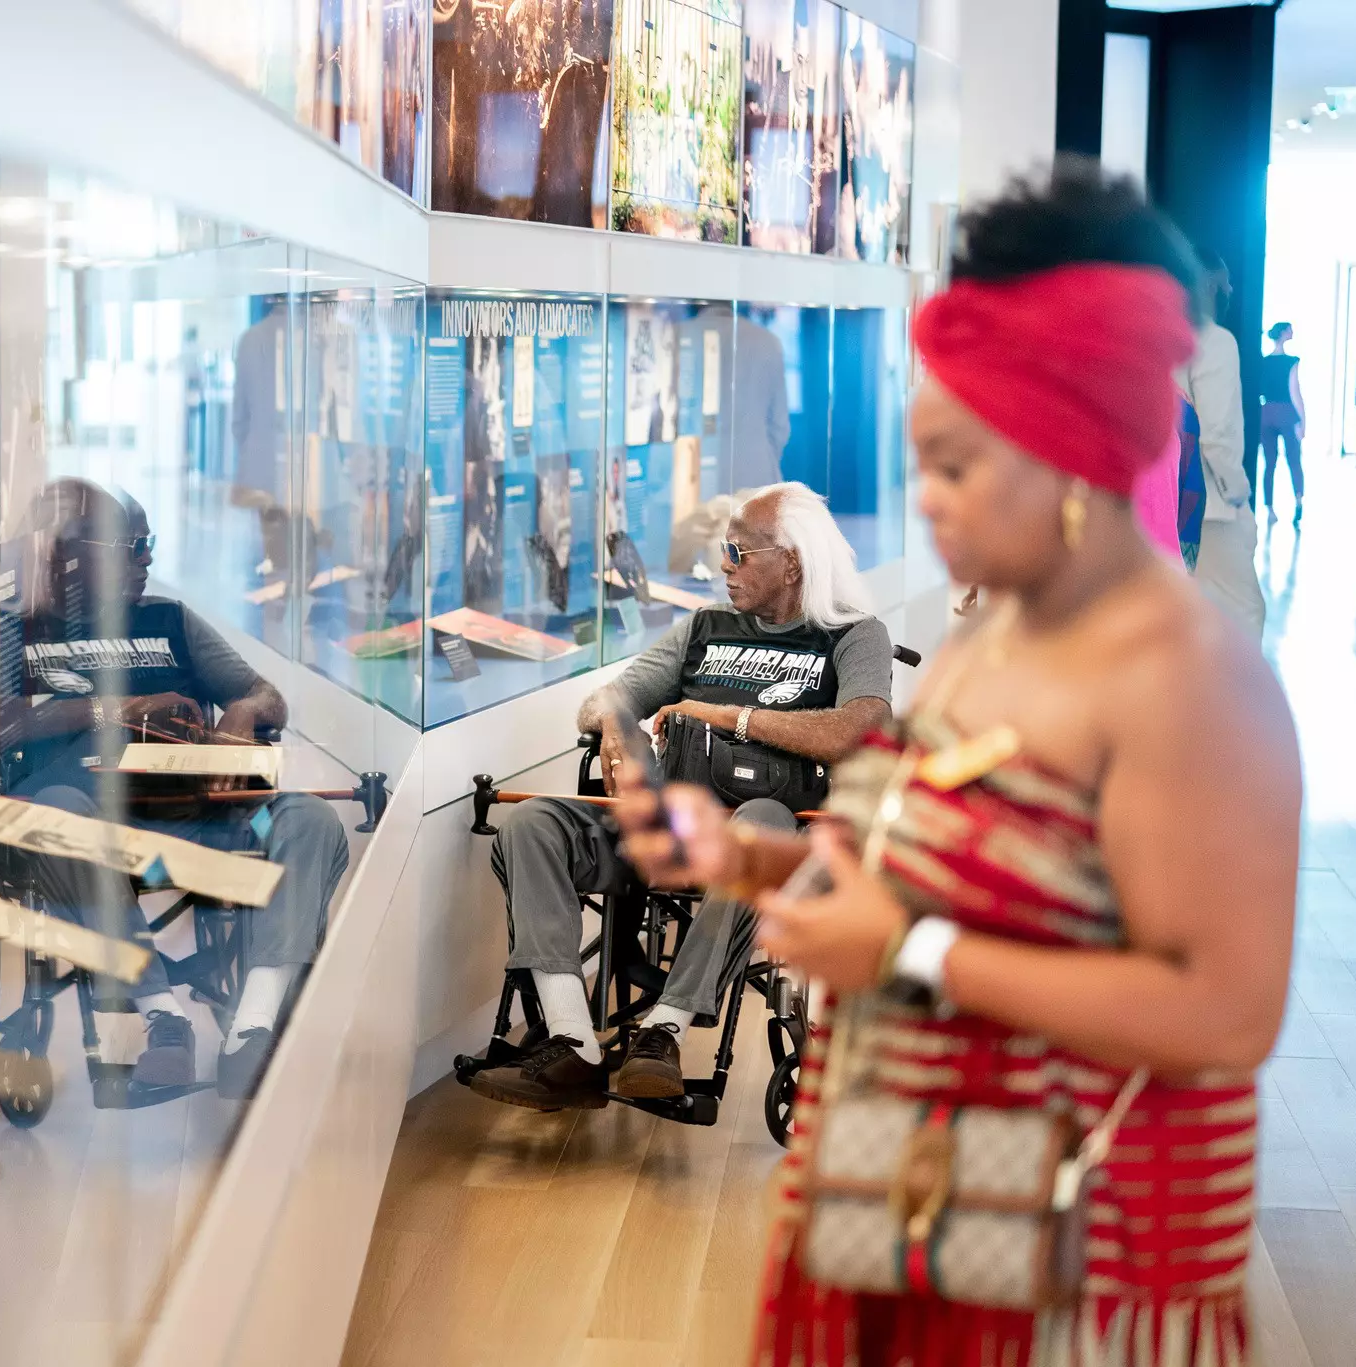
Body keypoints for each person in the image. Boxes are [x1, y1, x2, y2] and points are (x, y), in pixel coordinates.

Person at [613, 160, 1297, 1367]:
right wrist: (759, 857)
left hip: (1070, 1262)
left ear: (1070, 448)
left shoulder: (1190, 679)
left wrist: (905, 949)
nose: (927, 506)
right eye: (921, 461)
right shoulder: (999, 639)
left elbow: (1226, 1010)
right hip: (915, 1199)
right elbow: (934, 860)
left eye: (957, 466)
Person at [469, 482, 893, 1111]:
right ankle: (571, 1042)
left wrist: (727, 717)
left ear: (794, 561)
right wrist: (614, 722)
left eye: (738, 552)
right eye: (725, 550)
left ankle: (662, 1033)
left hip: (765, 840)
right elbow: (602, 700)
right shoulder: (703, 628)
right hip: (662, 827)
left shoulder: (851, 635)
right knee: (532, 823)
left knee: (761, 821)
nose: (724, 564)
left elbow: (860, 729)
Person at [0, 478, 350, 1099]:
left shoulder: (169, 619)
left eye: (148, 543)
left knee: (309, 822)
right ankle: (166, 1019)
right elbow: (3, 725)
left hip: (196, 815)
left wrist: (239, 721)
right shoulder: (23, 632)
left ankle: (255, 1027)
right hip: (87, 816)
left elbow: (265, 695)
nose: (147, 558)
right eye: (133, 545)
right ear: (79, 556)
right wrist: (120, 708)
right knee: (59, 820)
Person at [1179, 260, 1266, 637]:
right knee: (1245, 614)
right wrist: (1239, 495)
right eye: (1226, 282)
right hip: (1210, 506)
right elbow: (1214, 433)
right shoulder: (1215, 340)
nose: (1231, 291)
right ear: (1211, 283)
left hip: (1170, 503)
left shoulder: (1162, 334)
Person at [1259, 319, 1306, 523]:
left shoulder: (1264, 362)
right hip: (1286, 413)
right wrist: (1303, 420)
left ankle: (1270, 509)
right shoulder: (1291, 361)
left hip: (1266, 412)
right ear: (1284, 333)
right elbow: (1295, 392)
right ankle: (1298, 501)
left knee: (1269, 464)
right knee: (1294, 460)